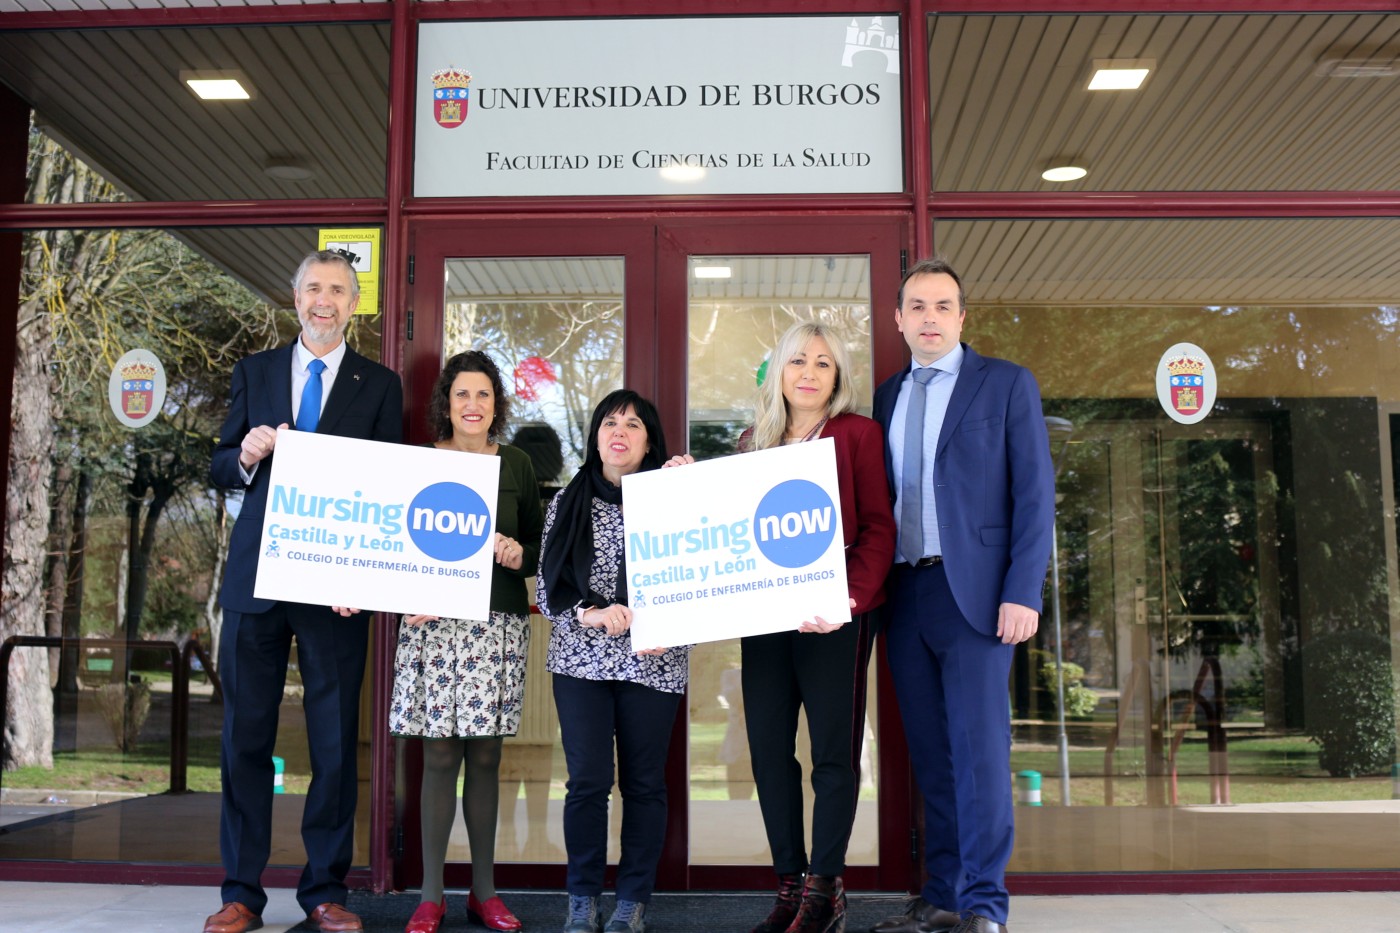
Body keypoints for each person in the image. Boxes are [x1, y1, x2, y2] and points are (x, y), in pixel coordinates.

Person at [206, 249, 403, 933]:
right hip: (256, 582)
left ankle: (324, 891)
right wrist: (249, 452)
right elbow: (219, 464)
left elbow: (386, 487)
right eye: (314, 288)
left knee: (333, 746)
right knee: (245, 740)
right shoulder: (254, 371)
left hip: (335, 590)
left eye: (339, 291)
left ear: (355, 304)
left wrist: (365, 577)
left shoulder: (379, 384)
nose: (325, 301)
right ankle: (240, 892)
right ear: (296, 299)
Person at [869, 258, 1054, 933]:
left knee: (979, 753)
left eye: (943, 306)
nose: (929, 318)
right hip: (905, 593)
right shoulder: (887, 395)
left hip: (975, 597)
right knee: (932, 754)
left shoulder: (1004, 384)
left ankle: (984, 904)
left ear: (962, 316)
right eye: (917, 306)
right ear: (897, 318)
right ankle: (944, 894)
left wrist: (1021, 590)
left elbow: (1034, 496)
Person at [739, 322, 896, 933]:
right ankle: (789, 886)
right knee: (770, 753)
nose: (809, 371)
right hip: (767, 620)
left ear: (838, 377)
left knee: (833, 752)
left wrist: (850, 602)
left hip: (837, 619)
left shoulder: (858, 435)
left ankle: (824, 891)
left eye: (824, 363)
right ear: (779, 371)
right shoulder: (756, 442)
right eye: (798, 360)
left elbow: (880, 528)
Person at [389, 351, 543, 933]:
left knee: (485, 754)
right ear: (446, 405)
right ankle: (431, 895)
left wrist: (518, 555)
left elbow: (536, 544)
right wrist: (408, 592)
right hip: (434, 624)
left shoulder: (519, 465)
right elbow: (393, 544)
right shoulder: (420, 463)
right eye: (461, 395)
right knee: (437, 754)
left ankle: (485, 892)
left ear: (495, 405)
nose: (472, 405)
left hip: (496, 622)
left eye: (483, 395)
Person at [536, 389, 692, 933]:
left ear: (650, 441)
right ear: (596, 436)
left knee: (645, 784)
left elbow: (701, 580)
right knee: (588, 781)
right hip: (581, 661)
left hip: (654, 660)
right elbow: (546, 585)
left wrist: (692, 489)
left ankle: (632, 902)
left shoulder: (675, 497)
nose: (619, 431)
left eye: (632, 424)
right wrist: (588, 614)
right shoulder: (566, 501)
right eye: (609, 422)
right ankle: (582, 897)